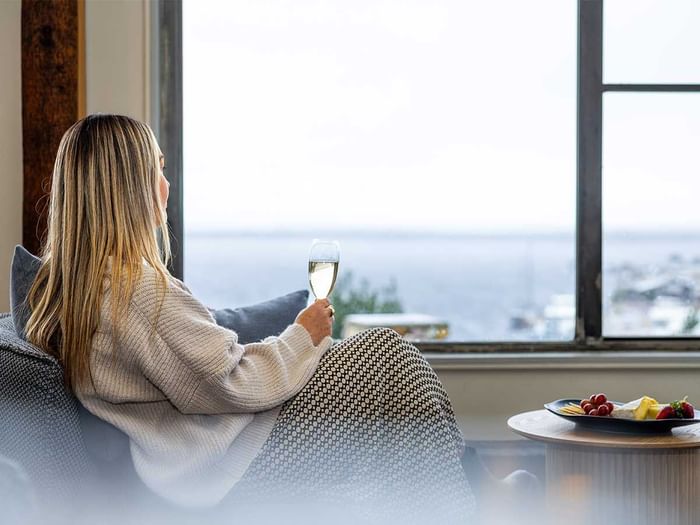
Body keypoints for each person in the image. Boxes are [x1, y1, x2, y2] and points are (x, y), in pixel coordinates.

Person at [24, 114, 523, 524]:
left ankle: (470, 488)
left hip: (212, 456)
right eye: (157, 168)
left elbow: (197, 373)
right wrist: (302, 336)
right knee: (391, 358)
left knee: (393, 373)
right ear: (129, 186)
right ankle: (472, 500)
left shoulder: (81, 290)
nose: (166, 184)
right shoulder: (135, 291)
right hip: (227, 467)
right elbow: (230, 380)